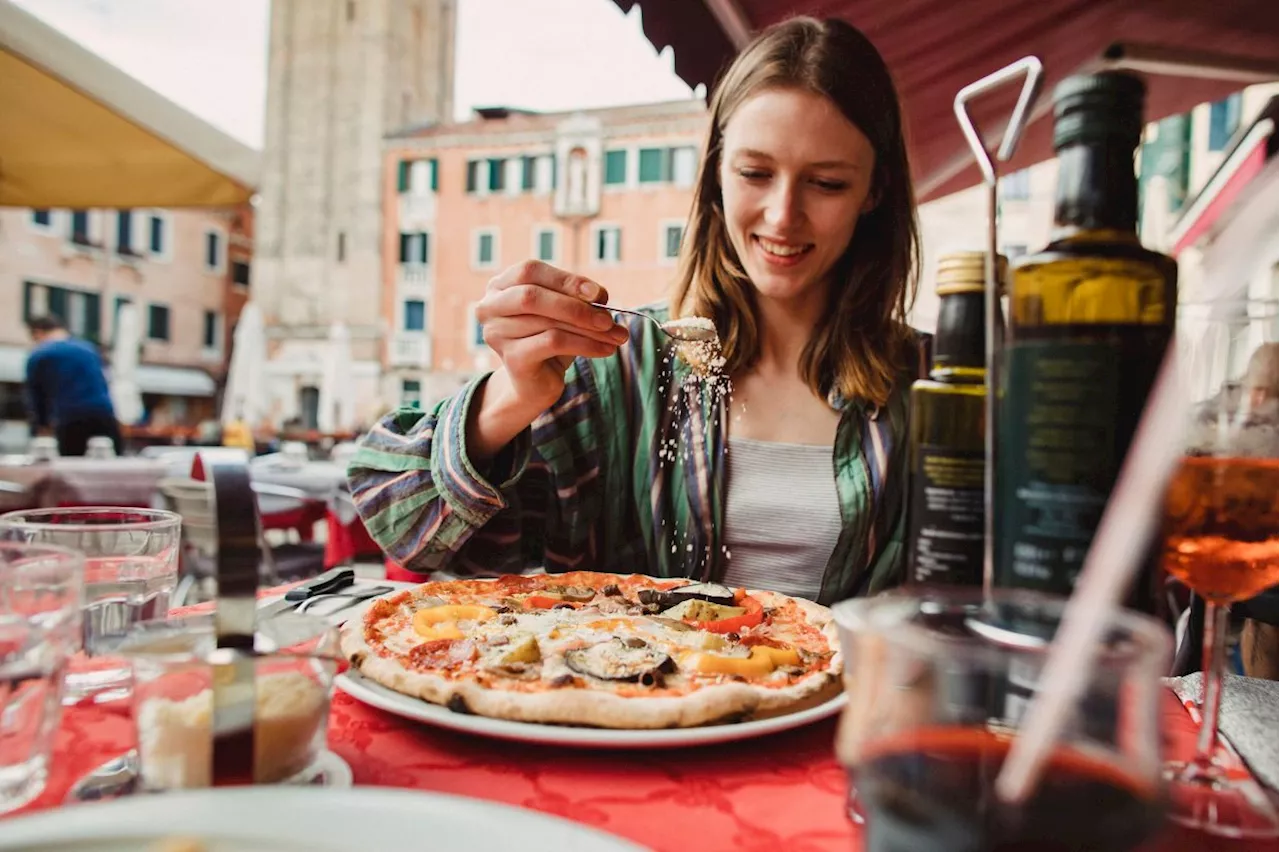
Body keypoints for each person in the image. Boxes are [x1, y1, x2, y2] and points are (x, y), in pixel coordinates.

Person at [348, 17, 922, 603]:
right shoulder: (619, 364)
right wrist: (510, 394)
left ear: (874, 191)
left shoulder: (934, 386)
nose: (781, 215)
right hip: (635, 691)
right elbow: (400, 525)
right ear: (716, 174)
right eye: (755, 173)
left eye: (826, 183)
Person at [24, 315, 123, 457]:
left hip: (69, 417)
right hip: (104, 414)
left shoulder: (40, 354)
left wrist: (40, 426)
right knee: (111, 463)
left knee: (72, 466)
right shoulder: (89, 349)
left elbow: (36, 396)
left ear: (38, 332)